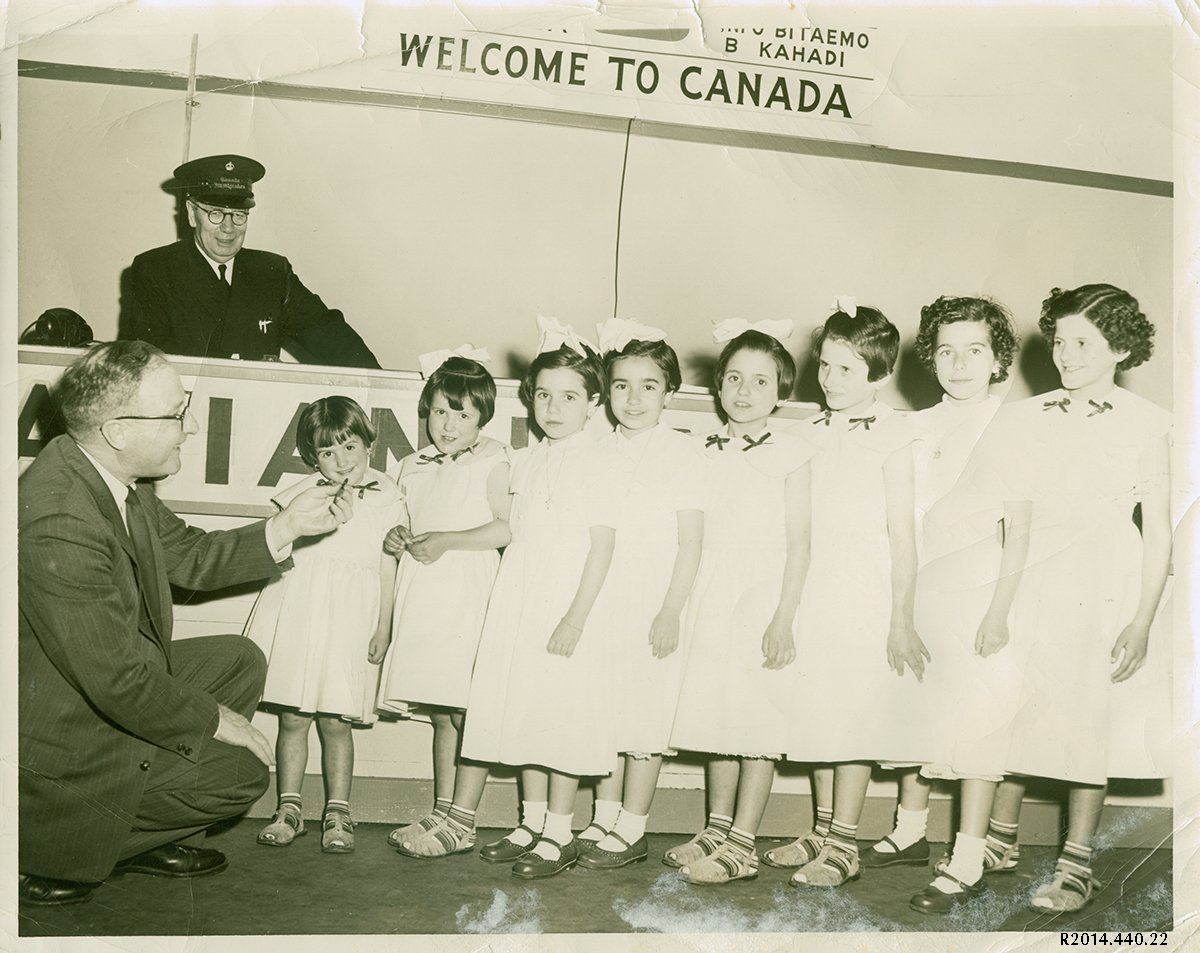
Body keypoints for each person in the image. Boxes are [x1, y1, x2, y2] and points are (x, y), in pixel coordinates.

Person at [18, 340, 354, 906]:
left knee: (237, 660)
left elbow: (192, 557)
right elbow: (116, 681)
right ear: (120, 431)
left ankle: (144, 835)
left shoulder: (109, 476)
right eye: (176, 413)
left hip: (87, 696)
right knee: (242, 776)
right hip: (58, 736)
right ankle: (53, 845)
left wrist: (288, 526)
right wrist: (213, 720)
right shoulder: (59, 519)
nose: (190, 425)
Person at [949, 284, 1172, 913]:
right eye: (1060, 340)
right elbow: (1012, 520)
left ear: (1120, 348)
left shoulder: (1148, 423)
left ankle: (1077, 861)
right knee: (1012, 698)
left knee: (1086, 717)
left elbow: (1157, 529)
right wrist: (997, 601)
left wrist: (1143, 619)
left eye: (1084, 343)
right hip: (1034, 573)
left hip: (1106, 582)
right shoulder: (1025, 416)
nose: (1066, 354)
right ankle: (999, 839)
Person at [397, 317, 619, 880]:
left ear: (593, 402)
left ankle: (560, 832)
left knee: (562, 717)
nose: (554, 406)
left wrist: (575, 616)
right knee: (528, 713)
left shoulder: (599, 459)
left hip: (567, 604)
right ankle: (533, 821)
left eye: (569, 396)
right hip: (523, 598)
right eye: (543, 394)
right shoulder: (530, 456)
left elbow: (602, 546)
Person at [852, 297, 1020, 911]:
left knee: (978, 720)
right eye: (946, 350)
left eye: (974, 350)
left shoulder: (1013, 424)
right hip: (920, 580)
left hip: (983, 584)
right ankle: (911, 827)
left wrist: (1001, 603)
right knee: (913, 699)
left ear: (998, 357)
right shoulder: (912, 425)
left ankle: (970, 855)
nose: (958, 362)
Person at [768, 301, 926, 890]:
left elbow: (903, 534)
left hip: (867, 582)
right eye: (826, 367)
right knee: (817, 705)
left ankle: (845, 843)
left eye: (846, 371)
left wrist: (900, 617)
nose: (830, 381)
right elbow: (795, 527)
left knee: (854, 709)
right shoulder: (804, 432)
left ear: (880, 377)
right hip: (812, 580)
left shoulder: (896, 434)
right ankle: (823, 825)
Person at [666, 320, 815, 886]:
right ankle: (718, 825)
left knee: (755, 716)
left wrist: (784, 615)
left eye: (760, 380)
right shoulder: (701, 450)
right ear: (718, 386)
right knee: (715, 713)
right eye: (734, 378)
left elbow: (800, 543)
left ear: (780, 392)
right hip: (712, 588)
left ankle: (744, 842)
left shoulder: (794, 453)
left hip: (763, 591)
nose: (745, 391)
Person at [245, 396, 402, 853]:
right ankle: (288, 809)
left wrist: (384, 627)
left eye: (349, 447)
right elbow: (277, 550)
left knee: (337, 721)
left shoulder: (389, 495)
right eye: (327, 453)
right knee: (293, 716)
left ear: (369, 446)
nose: (341, 461)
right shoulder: (302, 493)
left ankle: (338, 813)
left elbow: (389, 568)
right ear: (313, 457)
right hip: (303, 612)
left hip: (352, 617)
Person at [575, 319, 705, 871]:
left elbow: (692, 542)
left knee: (645, 711)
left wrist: (671, 609)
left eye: (648, 385)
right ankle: (605, 815)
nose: (633, 398)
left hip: (656, 598)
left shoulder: (682, 453)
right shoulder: (595, 452)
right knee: (606, 708)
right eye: (622, 385)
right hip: (606, 597)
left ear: (668, 393)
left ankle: (633, 827)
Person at [375, 349, 511, 848]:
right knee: (440, 710)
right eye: (439, 411)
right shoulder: (411, 464)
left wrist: (447, 539)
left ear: (482, 418)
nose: (448, 424)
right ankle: (441, 812)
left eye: (462, 414)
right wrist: (397, 536)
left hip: (468, 594)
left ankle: (464, 819)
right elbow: (406, 523)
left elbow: (507, 527)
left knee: (464, 711)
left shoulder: (495, 459)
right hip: (425, 596)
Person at [119, 154, 380, 368]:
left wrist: (376, 384)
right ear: (191, 213)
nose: (229, 229)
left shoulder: (272, 272)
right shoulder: (155, 270)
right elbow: (145, 362)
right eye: (216, 214)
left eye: (239, 215)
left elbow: (328, 334)